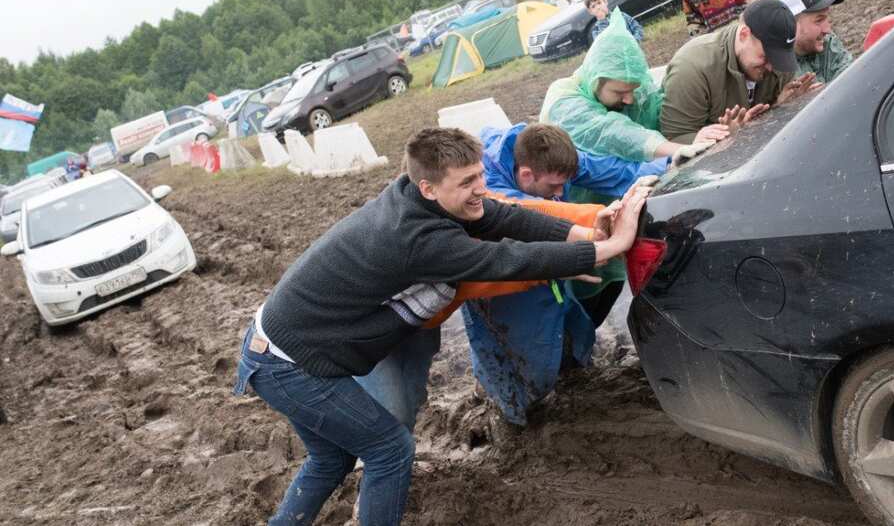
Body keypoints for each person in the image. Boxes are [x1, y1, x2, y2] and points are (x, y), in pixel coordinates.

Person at [233, 126, 648, 525]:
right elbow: (505, 260)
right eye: (467, 181)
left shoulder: (415, 197)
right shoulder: (418, 240)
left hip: (278, 342)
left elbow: (504, 218)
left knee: (331, 458)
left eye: (481, 174)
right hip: (288, 363)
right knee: (389, 450)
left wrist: (582, 233)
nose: (481, 188)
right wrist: (608, 248)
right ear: (429, 187)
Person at [463, 122, 666, 424]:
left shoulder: (548, 158)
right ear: (527, 175)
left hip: (552, 264)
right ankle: (517, 415)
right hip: (499, 284)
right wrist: (594, 233)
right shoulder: (488, 187)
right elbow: (530, 215)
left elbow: (603, 169)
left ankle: (572, 378)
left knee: (574, 330)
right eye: (553, 188)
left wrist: (670, 163)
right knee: (520, 360)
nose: (560, 193)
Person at [540, 8, 722, 164]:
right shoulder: (564, 100)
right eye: (620, 92)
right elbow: (614, 133)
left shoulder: (633, 86)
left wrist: (701, 135)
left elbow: (662, 112)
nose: (630, 99)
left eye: (633, 90)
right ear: (596, 80)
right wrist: (677, 150)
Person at [660, 0, 819, 143]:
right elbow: (674, 139)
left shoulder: (776, 63)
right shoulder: (692, 68)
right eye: (767, 57)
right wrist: (724, 137)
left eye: (779, 59)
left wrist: (783, 107)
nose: (772, 67)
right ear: (744, 34)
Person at [778, 0, 854, 84]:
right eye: (819, 20)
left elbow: (851, 79)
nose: (827, 29)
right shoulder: (774, 67)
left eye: (827, 18)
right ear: (791, 25)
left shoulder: (828, 42)